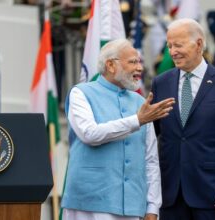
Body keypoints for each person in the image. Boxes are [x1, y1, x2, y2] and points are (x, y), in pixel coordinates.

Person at [61, 39, 175, 220]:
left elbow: (150, 159)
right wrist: (136, 120)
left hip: (133, 206)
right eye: (133, 62)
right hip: (89, 204)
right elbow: (90, 134)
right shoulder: (80, 93)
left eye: (140, 62)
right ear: (111, 65)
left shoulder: (141, 103)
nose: (140, 68)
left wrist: (152, 207)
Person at [151, 18, 215, 220]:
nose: (172, 51)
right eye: (169, 46)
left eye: (178, 45)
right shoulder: (160, 83)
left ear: (198, 44)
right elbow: (151, 139)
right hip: (170, 197)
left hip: (213, 197)